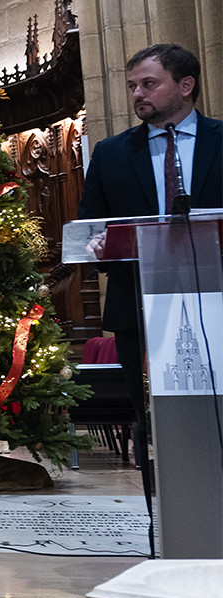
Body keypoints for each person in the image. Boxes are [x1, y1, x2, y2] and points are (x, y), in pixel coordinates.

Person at [78, 42, 223, 484]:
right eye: (131, 86)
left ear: (186, 85)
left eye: (148, 83)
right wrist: (100, 247)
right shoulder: (112, 152)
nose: (138, 94)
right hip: (138, 300)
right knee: (151, 414)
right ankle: (165, 490)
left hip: (216, 294)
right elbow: (90, 227)